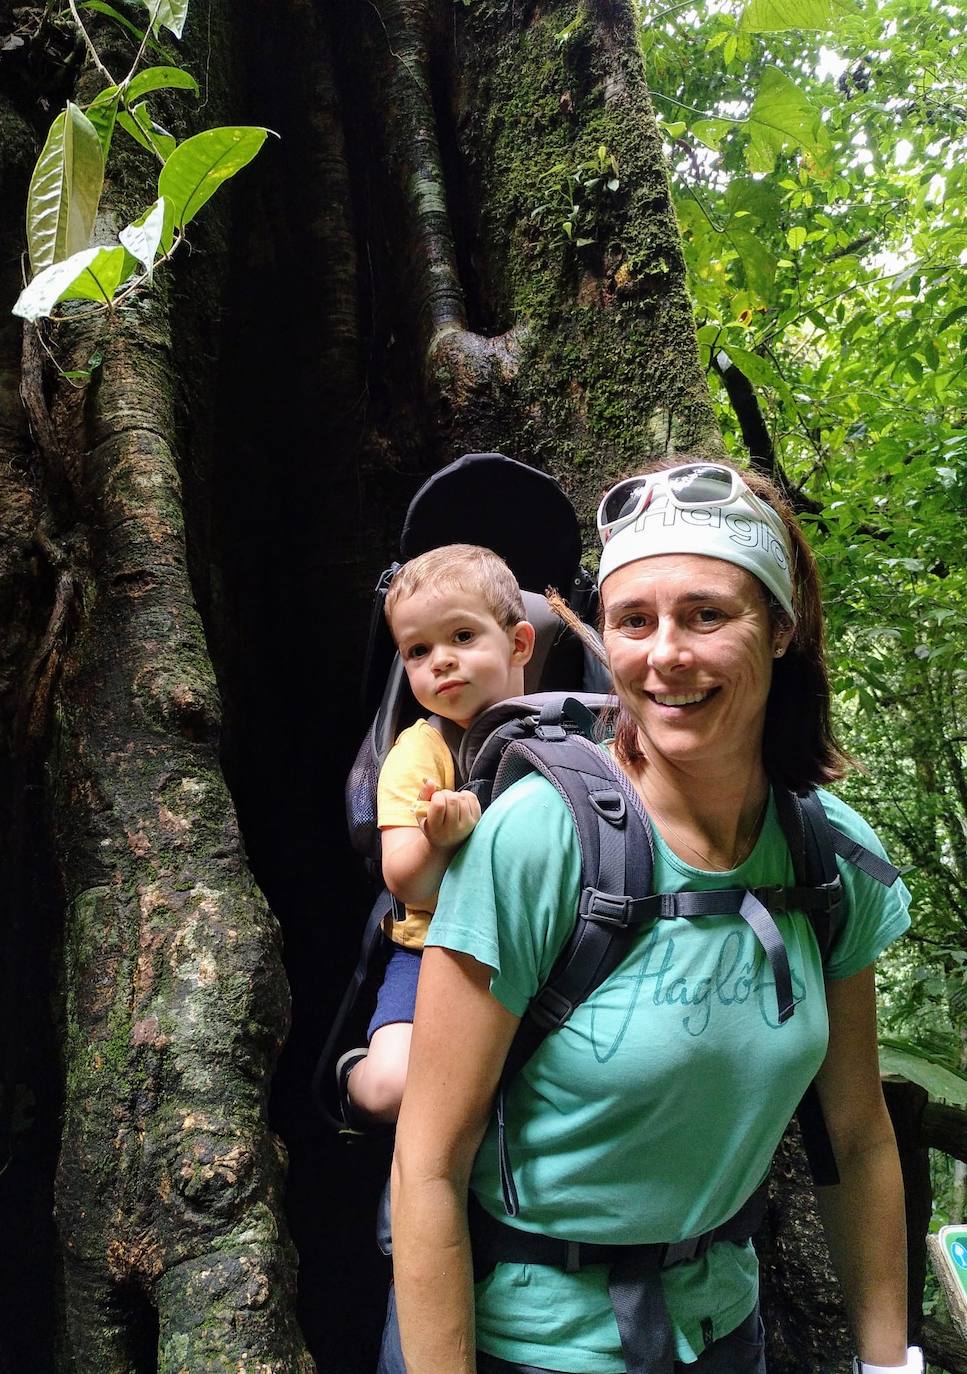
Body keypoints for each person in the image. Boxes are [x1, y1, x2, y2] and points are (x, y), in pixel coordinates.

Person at [389, 460, 918, 1374]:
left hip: (720, 1334)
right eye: (633, 621)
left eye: (706, 615)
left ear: (781, 628)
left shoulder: (825, 852)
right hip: (528, 1347)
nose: (663, 653)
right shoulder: (538, 840)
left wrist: (887, 1364)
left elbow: (858, 1134)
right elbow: (428, 1161)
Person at [340, 544, 535, 1125]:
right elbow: (402, 876)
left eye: (462, 637)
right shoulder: (421, 753)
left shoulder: (569, 735)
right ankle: (353, 1070)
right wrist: (438, 841)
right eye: (419, 651)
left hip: (541, 951)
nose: (440, 662)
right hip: (435, 951)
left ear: (519, 643)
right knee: (393, 1090)